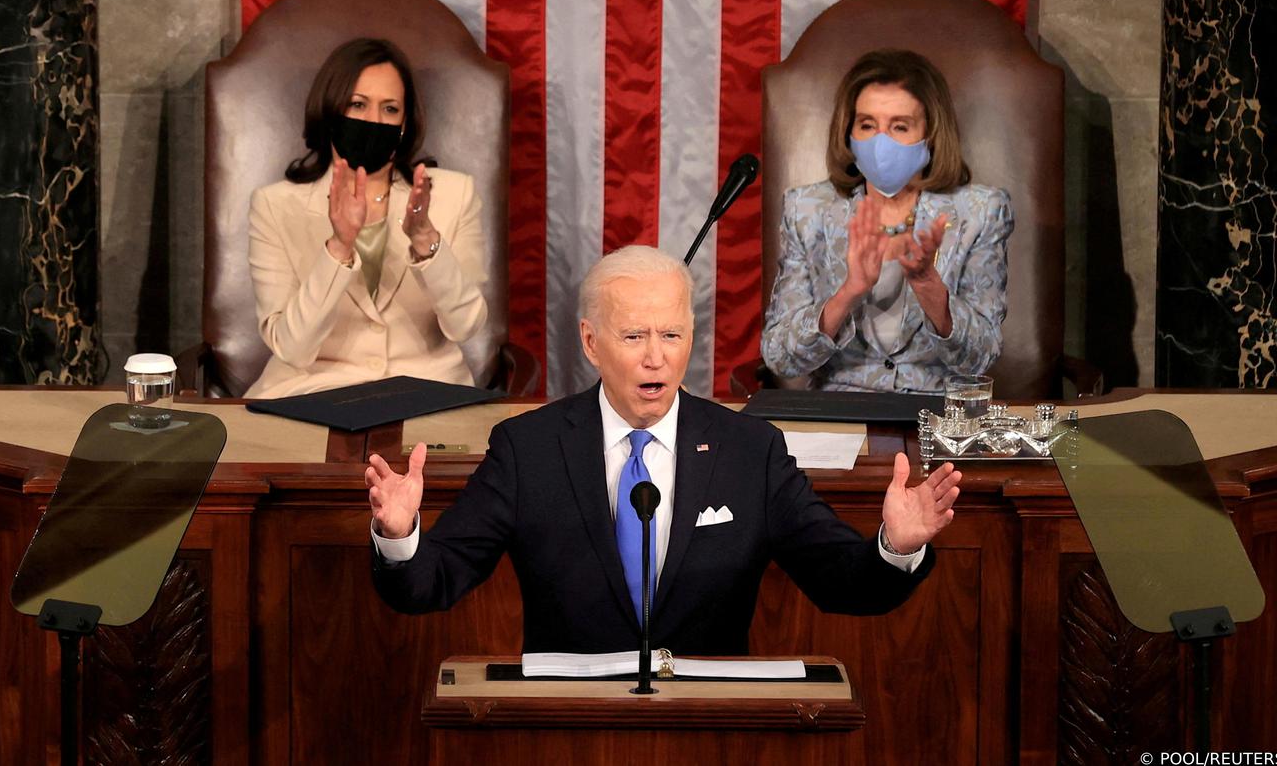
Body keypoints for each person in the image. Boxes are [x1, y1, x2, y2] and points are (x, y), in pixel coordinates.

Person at [366, 246, 961, 655]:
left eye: (671, 335)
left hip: (711, 726)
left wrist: (894, 549)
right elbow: (430, 584)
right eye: (634, 336)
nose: (656, 357)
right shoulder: (529, 448)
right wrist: (399, 536)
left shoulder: (750, 450)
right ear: (592, 342)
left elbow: (843, 583)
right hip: (566, 725)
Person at [244, 38, 488, 399]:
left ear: (405, 123)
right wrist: (339, 246)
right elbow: (292, 348)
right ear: (330, 111)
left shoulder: (455, 194)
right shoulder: (274, 205)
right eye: (358, 105)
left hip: (426, 395)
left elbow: (466, 326)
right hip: (311, 395)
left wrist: (425, 240)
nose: (374, 121)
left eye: (390, 109)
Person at [761, 49, 1013, 394]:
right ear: (848, 132)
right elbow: (780, 358)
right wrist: (848, 294)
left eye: (900, 126)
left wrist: (929, 288)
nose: (881, 142)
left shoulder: (980, 212)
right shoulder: (808, 210)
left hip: (937, 416)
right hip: (840, 414)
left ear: (931, 135)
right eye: (867, 125)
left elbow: (982, 357)